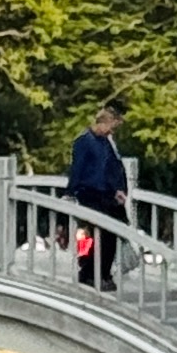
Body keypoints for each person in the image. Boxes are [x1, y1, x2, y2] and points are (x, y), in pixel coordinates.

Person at [67, 104, 129, 287]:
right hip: (89, 192)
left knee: (112, 233)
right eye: (111, 127)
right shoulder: (84, 141)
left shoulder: (106, 143)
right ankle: (91, 272)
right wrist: (71, 192)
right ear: (103, 123)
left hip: (107, 193)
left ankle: (102, 272)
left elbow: (113, 168)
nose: (111, 132)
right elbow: (77, 168)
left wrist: (119, 189)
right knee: (99, 233)